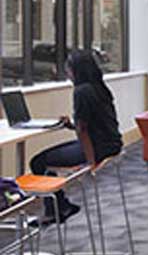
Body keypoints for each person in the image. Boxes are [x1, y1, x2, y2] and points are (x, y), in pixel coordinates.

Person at [30, 49, 123, 225]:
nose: (67, 72)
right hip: (112, 143)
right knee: (47, 161)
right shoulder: (99, 88)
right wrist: (70, 125)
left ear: (76, 70)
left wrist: (90, 162)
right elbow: (93, 124)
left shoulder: (81, 91)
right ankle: (61, 206)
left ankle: (56, 210)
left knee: (38, 162)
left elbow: (83, 130)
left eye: (69, 68)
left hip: (97, 148)